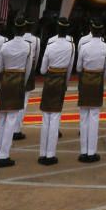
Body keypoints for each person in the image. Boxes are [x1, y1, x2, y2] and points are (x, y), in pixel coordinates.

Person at [0, 19, 35, 168]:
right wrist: (22, 82)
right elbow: (29, 69)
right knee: (11, 119)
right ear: (23, 30)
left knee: (2, 119)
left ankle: (0, 151)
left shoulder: (4, 46)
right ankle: (4, 154)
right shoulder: (28, 47)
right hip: (18, 81)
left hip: (6, 82)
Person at [37, 17, 75, 165]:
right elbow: (70, 69)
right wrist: (64, 83)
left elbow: (42, 70)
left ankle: (42, 153)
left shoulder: (50, 45)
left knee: (46, 117)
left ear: (58, 30)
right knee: (55, 118)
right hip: (60, 81)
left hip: (49, 80)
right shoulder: (71, 46)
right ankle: (50, 154)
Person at [76, 19, 106, 163]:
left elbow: (78, 68)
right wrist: (100, 77)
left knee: (84, 117)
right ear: (101, 31)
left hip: (85, 81)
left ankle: (84, 151)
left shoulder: (84, 46)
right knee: (94, 117)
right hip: (97, 81)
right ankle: (92, 151)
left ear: (91, 29)